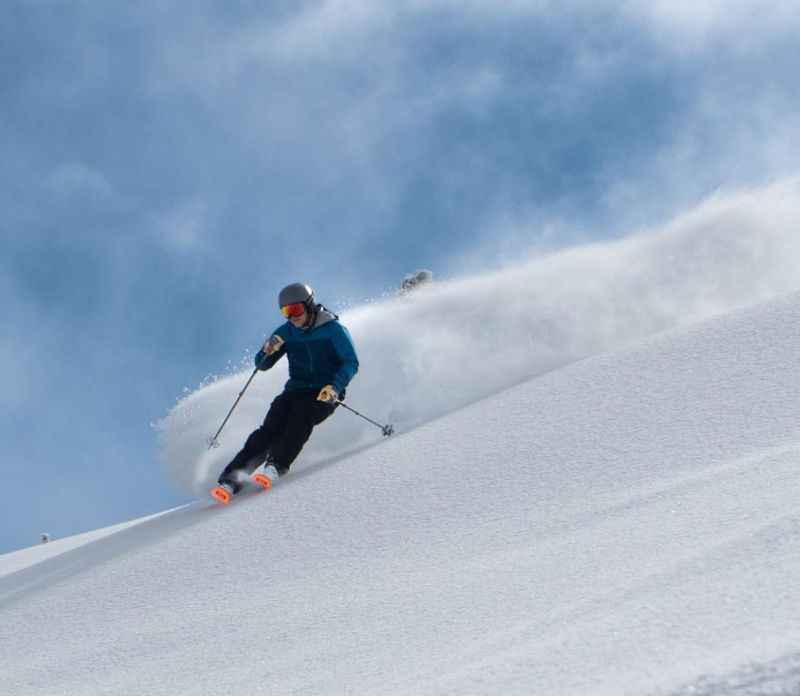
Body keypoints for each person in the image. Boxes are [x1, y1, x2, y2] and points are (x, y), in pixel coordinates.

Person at [212, 283, 359, 502]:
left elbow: (351, 362)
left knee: (301, 418)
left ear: (309, 306)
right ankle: (233, 478)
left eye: (296, 310)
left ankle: (276, 465)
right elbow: (262, 365)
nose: (292, 317)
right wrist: (267, 351)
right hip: (295, 389)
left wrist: (335, 386)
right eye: (286, 312)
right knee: (269, 429)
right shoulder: (286, 332)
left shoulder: (333, 329)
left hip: (325, 391)